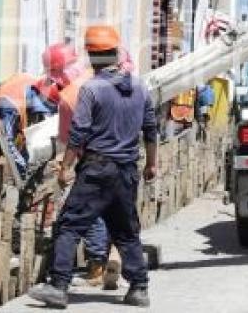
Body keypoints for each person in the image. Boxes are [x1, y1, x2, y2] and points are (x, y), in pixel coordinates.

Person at [28, 26, 157, 308]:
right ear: (117, 52)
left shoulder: (92, 89)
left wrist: (65, 167)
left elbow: (78, 133)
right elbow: (150, 129)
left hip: (97, 170)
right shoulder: (140, 87)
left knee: (68, 225)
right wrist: (152, 164)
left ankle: (59, 286)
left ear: (91, 56)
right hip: (126, 172)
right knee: (125, 231)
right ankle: (139, 288)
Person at [47, 43, 120, 290]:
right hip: (121, 159)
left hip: (92, 162)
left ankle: (91, 270)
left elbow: (72, 139)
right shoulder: (107, 82)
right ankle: (126, 275)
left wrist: (64, 167)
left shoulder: (69, 96)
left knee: (84, 215)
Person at [0, 73, 60, 218]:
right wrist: (22, 169)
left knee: (29, 170)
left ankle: (20, 213)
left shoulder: (37, 87)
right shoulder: (11, 104)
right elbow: (6, 141)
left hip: (12, 131)